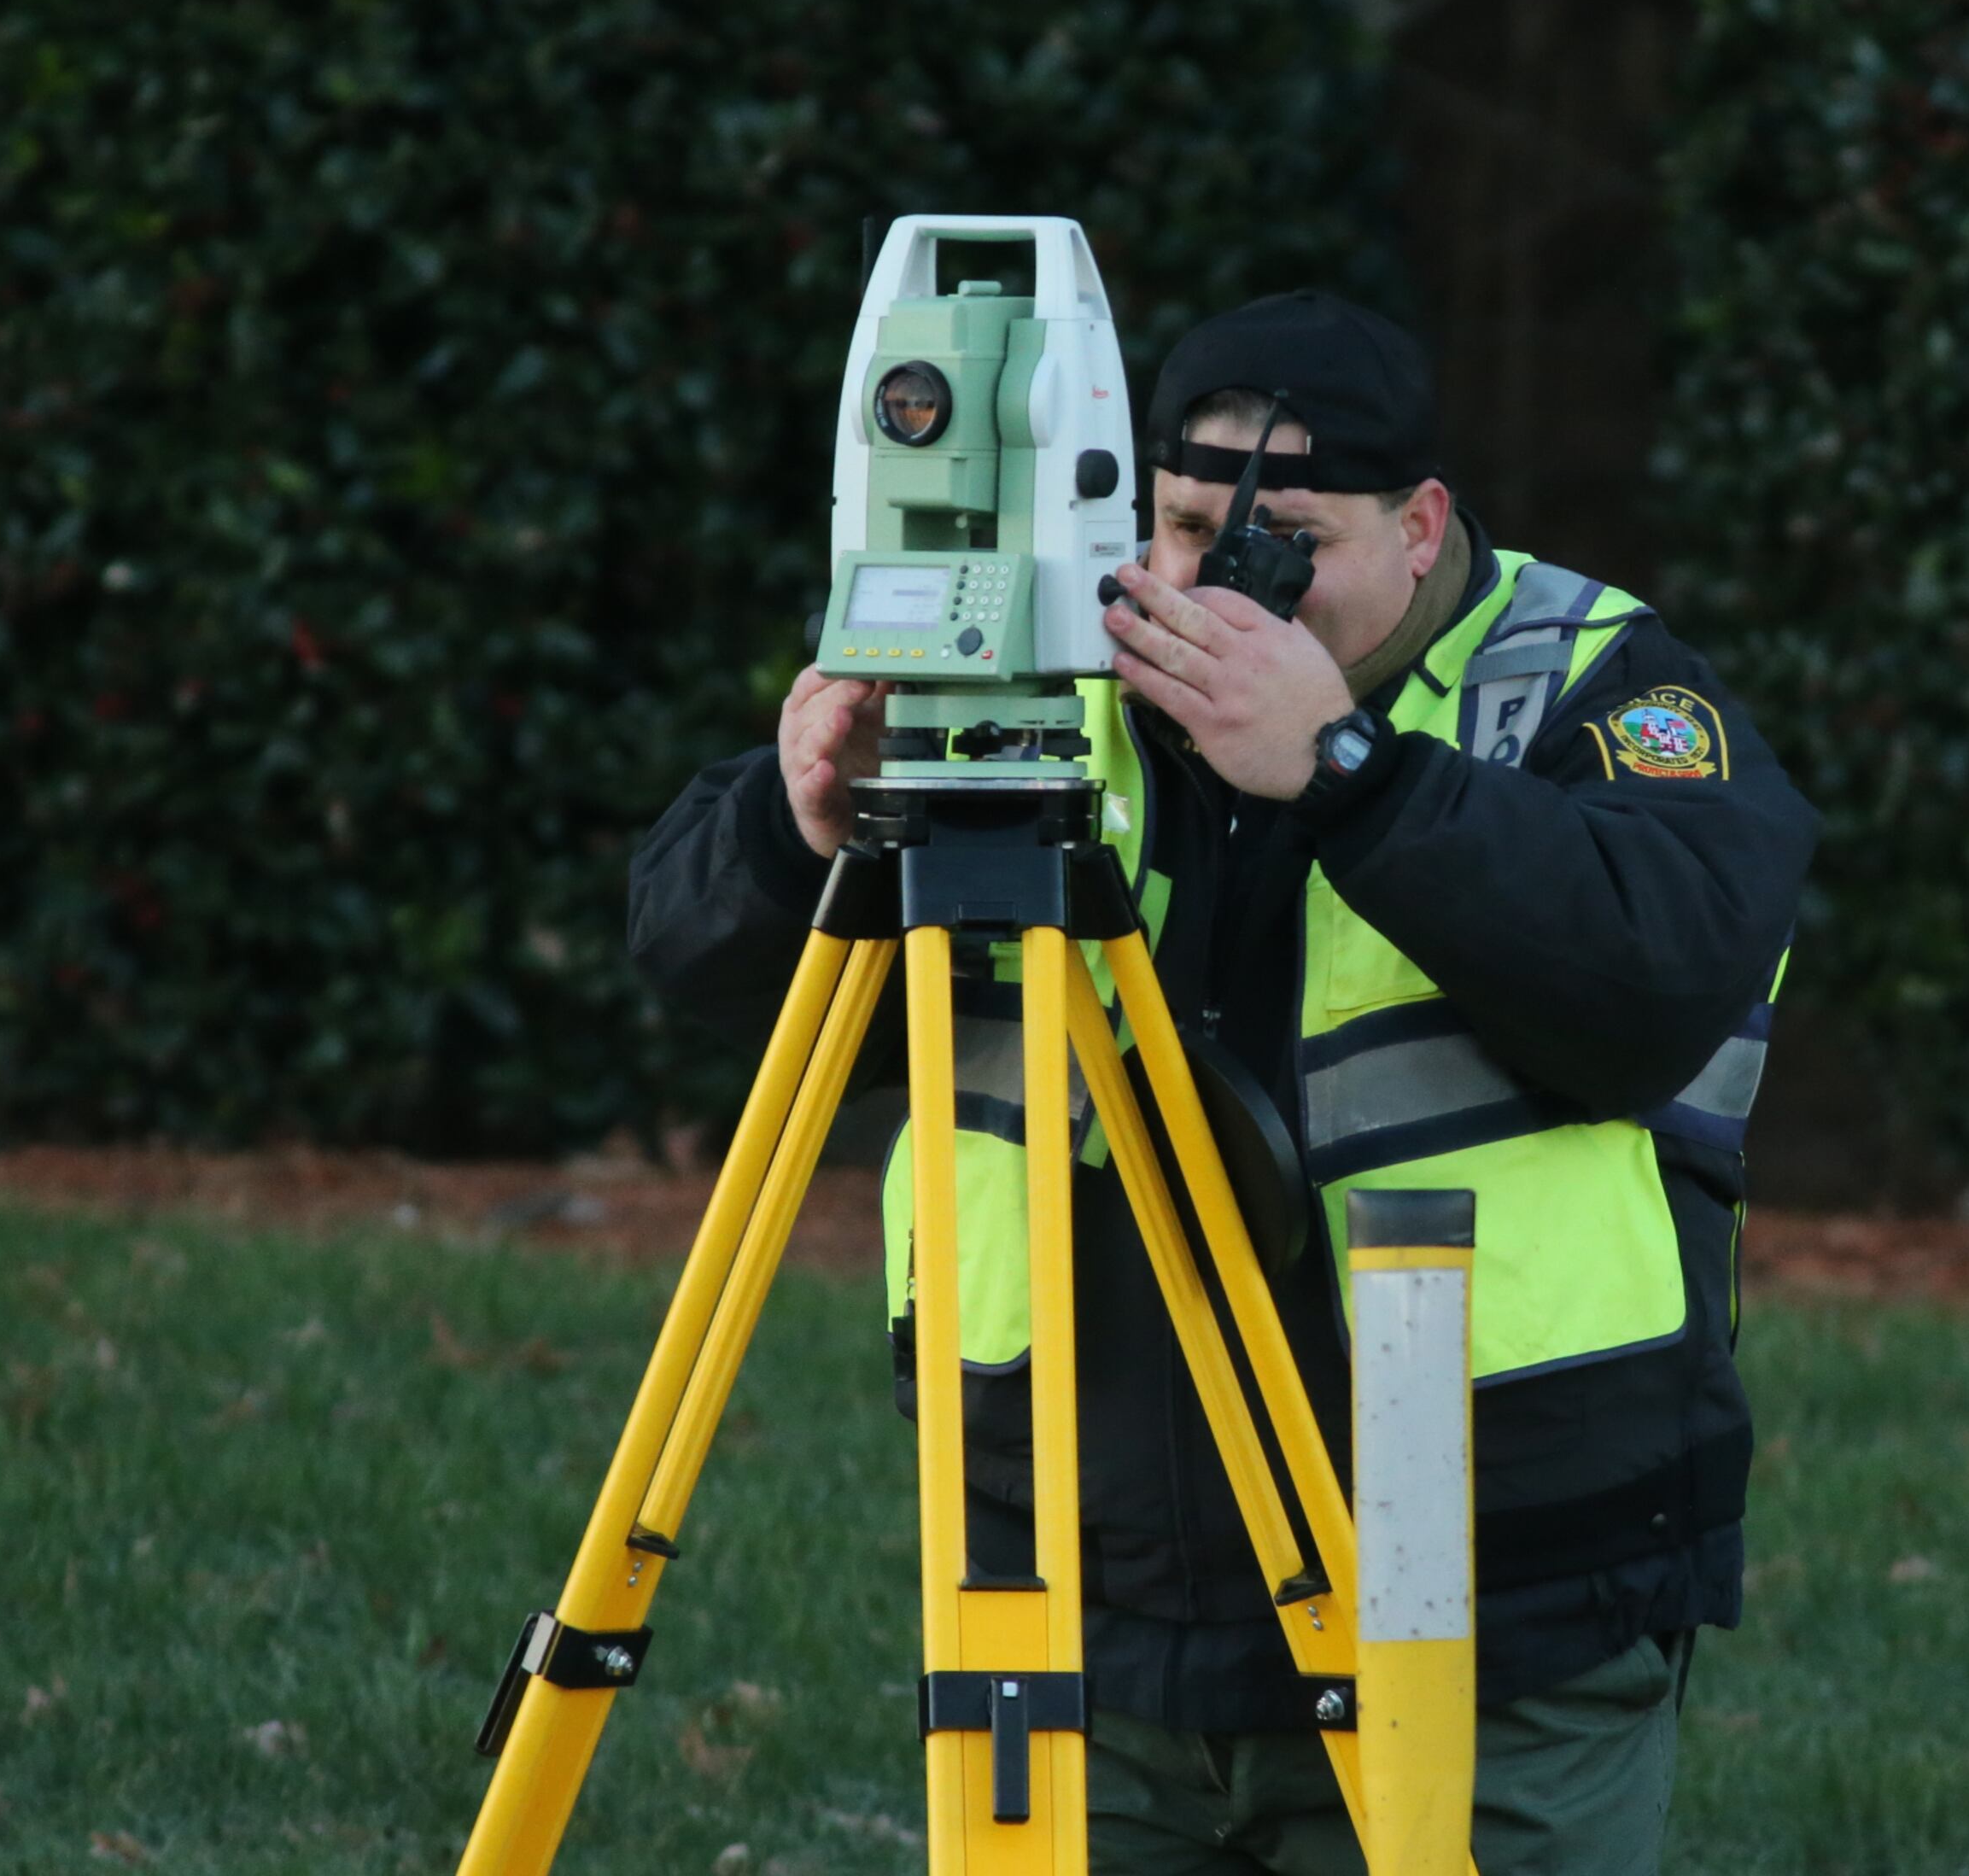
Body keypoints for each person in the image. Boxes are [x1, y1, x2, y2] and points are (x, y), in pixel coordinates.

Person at [627, 290, 1816, 1873]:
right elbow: (696, 957)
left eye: (1292, 538)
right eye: (1185, 525)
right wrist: (804, 827)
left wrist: (1352, 773)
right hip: (1078, 1596)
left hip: (1488, 1598)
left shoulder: (1594, 685)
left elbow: (1659, 980)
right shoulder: (1054, 674)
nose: (1221, 581)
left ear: (1422, 524)